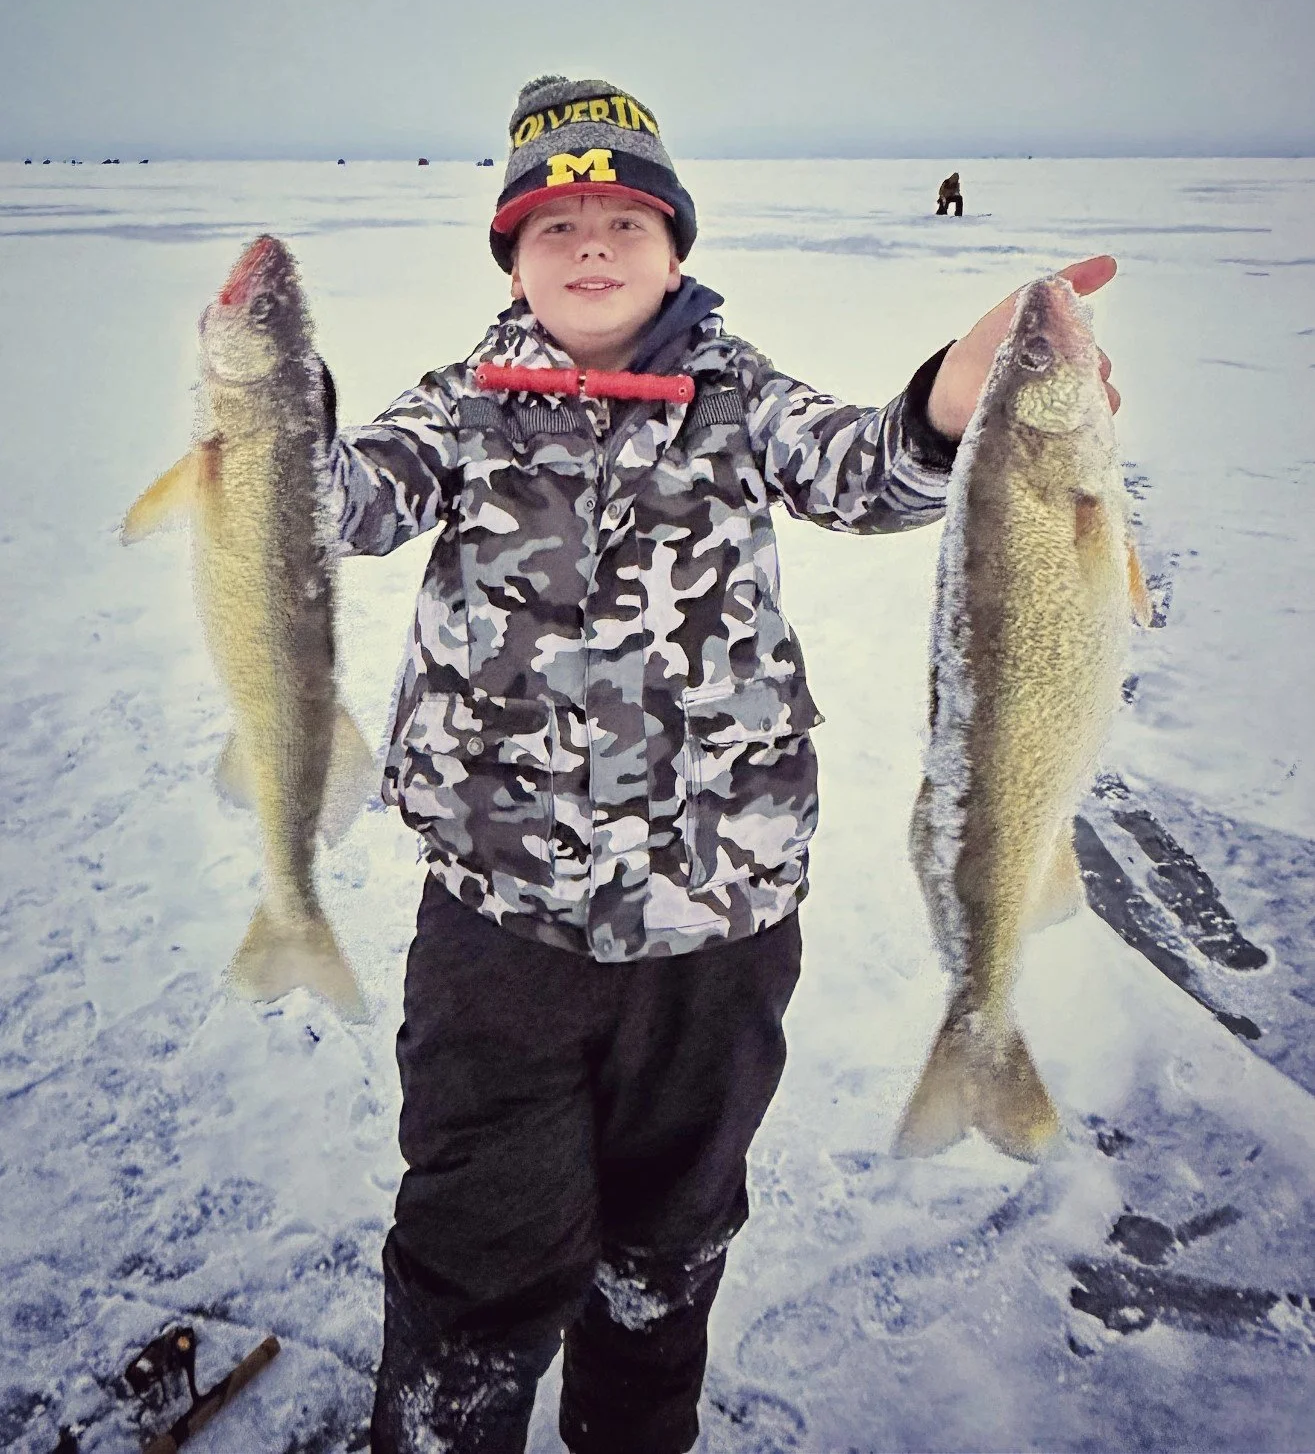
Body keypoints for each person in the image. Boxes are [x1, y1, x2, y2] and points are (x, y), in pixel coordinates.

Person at [326, 75, 1119, 1454]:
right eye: (555, 221)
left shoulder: (739, 392)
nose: (591, 244)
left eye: (625, 217)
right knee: (480, 1235)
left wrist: (954, 393)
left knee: (670, 1239)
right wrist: (270, 421)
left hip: (722, 921)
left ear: (675, 245)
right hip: (498, 923)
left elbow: (872, 471)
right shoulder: (458, 406)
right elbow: (342, 502)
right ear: (510, 255)